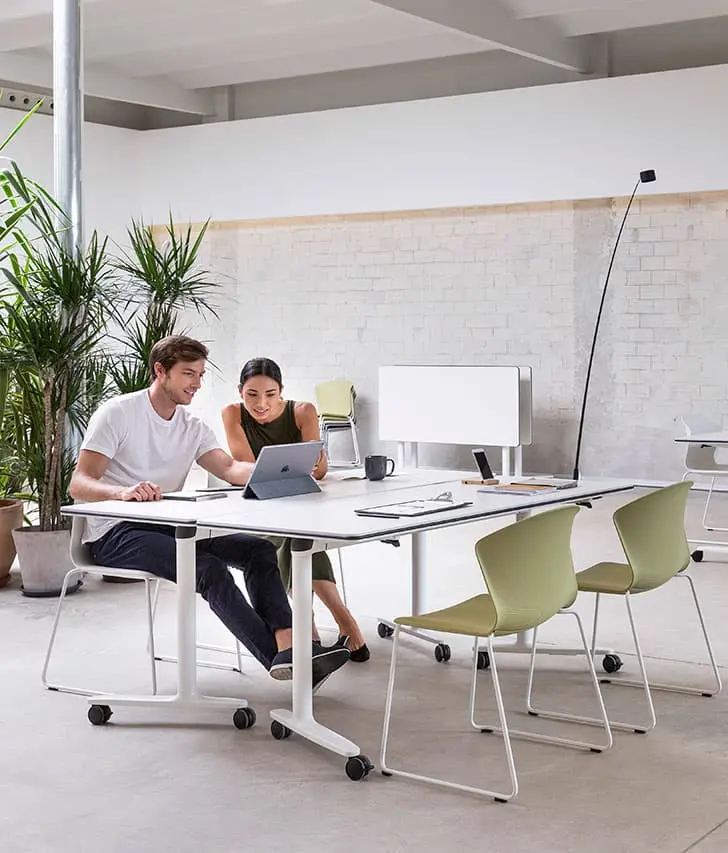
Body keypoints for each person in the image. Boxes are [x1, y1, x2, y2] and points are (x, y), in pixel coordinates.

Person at [69, 335, 350, 687]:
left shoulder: (192, 427)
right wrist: (123, 492)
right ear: (160, 371)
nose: (197, 384)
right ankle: (291, 665)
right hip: (113, 533)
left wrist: (281, 471)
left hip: (168, 524)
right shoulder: (119, 413)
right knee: (208, 569)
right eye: (189, 374)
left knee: (258, 548)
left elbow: (231, 470)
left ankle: (288, 646)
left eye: (201, 375)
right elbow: (78, 484)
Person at [221, 357, 370, 662]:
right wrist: (298, 469)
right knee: (296, 537)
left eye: (270, 394)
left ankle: (309, 627)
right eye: (252, 394)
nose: (261, 403)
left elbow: (319, 470)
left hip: (301, 503)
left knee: (297, 535)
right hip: (256, 509)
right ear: (240, 391)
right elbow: (248, 471)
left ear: (281, 392)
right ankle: (341, 619)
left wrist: (307, 468)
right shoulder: (231, 414)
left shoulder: (302, 411)